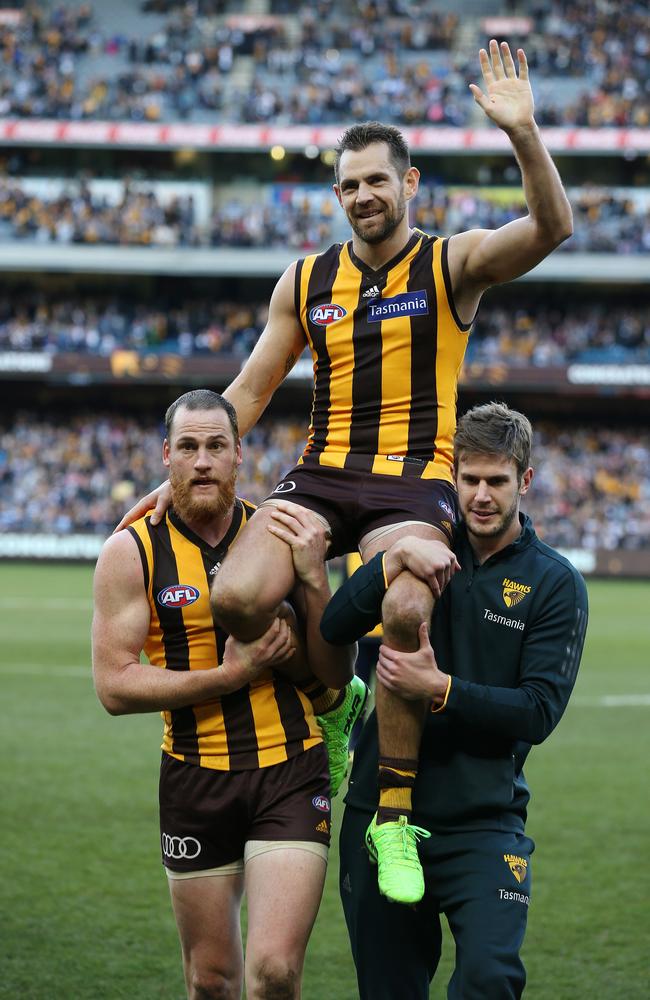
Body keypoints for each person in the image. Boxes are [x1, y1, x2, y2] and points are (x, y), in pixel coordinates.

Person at [116, 40, 573, 902]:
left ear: (410, 185)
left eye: (377, 179)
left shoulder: (451, 264)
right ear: (337, 196)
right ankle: (336, 705)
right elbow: (248, 390)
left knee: (406, 603)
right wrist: (176, 472)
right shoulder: (307, 279)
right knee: (240, 596)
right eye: (348, 183)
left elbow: (553, 229)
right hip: (323, 473)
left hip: (411, 481)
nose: (363, 195)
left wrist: (523, 134)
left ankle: (392, 812)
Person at [320, 401, 589, 1000]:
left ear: (524, 481)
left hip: (481, 821)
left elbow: (537, 711)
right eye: (470, 480)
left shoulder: (554, 582)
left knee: (490, 979)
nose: (482, 496)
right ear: (454, 479)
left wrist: (439, 690)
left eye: (497, 481)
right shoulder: (418, 551)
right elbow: (333, 627)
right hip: (382, 815)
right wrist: (389, 561)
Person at [92, 389, 355, 1000]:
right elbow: (114, 685)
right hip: (195, 777)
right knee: (211, 982)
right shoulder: (131, 552)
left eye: (216, 446)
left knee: (275, 972)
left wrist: (315, 580)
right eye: (189, 447)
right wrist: (229, 676)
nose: (203, 460)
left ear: (240, 455)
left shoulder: (282, 535)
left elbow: (334, 670)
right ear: (167, 457)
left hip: (290, 768)